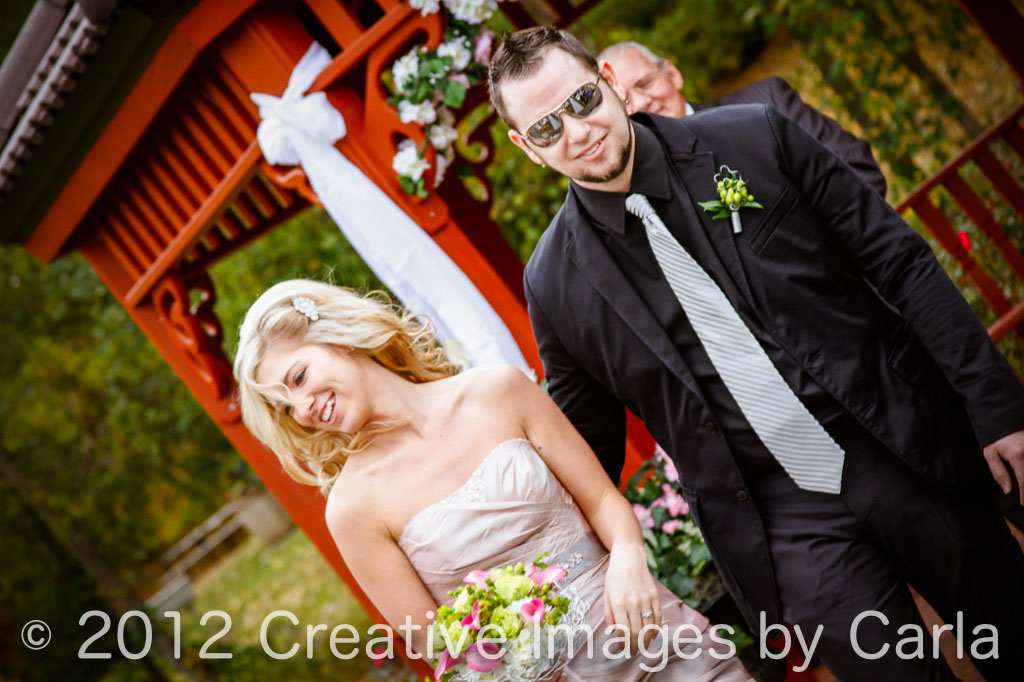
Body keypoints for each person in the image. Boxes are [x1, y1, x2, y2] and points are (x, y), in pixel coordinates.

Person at [489, 26, 1024, 681]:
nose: (578, 132)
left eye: (581, 101)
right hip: (782, 522)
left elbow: (900, 264)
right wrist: (531, 587)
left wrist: (997, 409)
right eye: (547, 128)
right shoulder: (554, 284)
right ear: (526, 147)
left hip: (896, 438)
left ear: (608, 82)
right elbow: (584, 449)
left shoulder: (752, 138)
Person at [233, 279, 752, 681]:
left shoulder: (498, 391)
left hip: (654, 635)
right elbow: (440, 648)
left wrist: (630, 557)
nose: (303, 407)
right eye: (286, 406)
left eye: (298, 377)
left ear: (338, 339)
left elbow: (599, 499)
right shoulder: (352, 509)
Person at [597, 41, 887, 196]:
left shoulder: (766, 102)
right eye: (624, 103)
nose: (641, 104)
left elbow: (858, 170)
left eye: (645, 84)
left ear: (672, 74)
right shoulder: (644, 194)